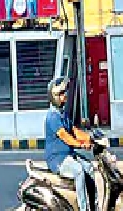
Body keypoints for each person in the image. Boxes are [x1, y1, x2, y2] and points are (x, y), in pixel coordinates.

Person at [45, 76, 95, 211]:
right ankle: (83, 208)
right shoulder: (53, 116)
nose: (65, 95)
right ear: (54, 96)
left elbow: (73, 131)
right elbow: (65, 137)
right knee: (79, 171)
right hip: (57, 159)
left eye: (64, 92)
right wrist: (81, 144)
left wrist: (90, 138)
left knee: (89, 168)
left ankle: (93, 206)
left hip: (68, 155)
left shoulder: (62, 114)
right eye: (61, 94)